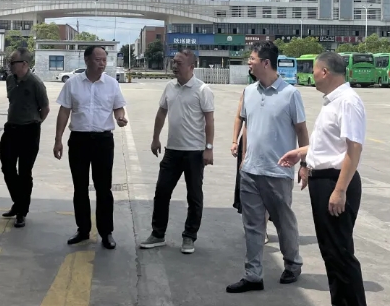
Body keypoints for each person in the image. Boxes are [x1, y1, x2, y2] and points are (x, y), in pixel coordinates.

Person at [279, 52, 372, 306]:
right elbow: (326, 144)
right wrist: (301, 153)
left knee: (342, 252)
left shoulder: (348, 102)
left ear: (325, 72)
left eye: (315, 69)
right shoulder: (331, 101)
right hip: (322, 180)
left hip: (336, 181)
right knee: (330, 250)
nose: (313, 74)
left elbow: (353, 149)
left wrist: (340, 190)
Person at [227, 41, 309, 294]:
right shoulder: (249, 92)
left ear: (265, 62)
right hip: (250, 172)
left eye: (252, 58)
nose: (248, 62)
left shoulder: (290, 94)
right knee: (252, 226)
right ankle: (253, 275)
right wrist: (243, 158)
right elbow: (247, 125)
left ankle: (293, 263)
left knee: (284, 223)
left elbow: (301, 131)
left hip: (278, 172)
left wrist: (304, 164)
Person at [139, 50, 214, 254]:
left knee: (194, 196)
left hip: (194, 152)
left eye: (179, 63)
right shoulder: (169, 87)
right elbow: (161, 112)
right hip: (172, 151)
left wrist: (209, 148)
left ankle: (189, 236)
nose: (174, 66)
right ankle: (158, 234)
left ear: (191, 67)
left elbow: (209, 121)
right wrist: (155, 138)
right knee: (162, 192)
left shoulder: (202, 89)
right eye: (173, 62)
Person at [54, 45, 128, 250]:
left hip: (103, 141)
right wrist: (58, 139)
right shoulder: (73, 83)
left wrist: (120, 117)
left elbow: (118, 107)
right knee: (80, 187)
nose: (102, 63)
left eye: (104, 59)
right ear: (86, 60)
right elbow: (64, 111)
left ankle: (106, 232)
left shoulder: (112, 84)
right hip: (79, 140)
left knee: (104, 188)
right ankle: (83, 229)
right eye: (98, 59)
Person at [0, 48, 50, 228]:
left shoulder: (35, 83)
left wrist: (34, 123)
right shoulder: (10, 80)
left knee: (24, 172)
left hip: (29, 130)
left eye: (13, 62)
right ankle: (18, 202)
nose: (10, 65)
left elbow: (45, 109)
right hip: (11, 129)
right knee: (7, 167)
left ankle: (22, 211)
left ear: (25, 64)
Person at [231, 71, 272, 244]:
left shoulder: (280, 92)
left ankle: (262, 228)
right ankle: (251, 226)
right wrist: (235, 141)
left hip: (269, 145)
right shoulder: (248, 91)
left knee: (266, 188)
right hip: (247, 143)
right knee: (246, 187)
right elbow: (240, 118)